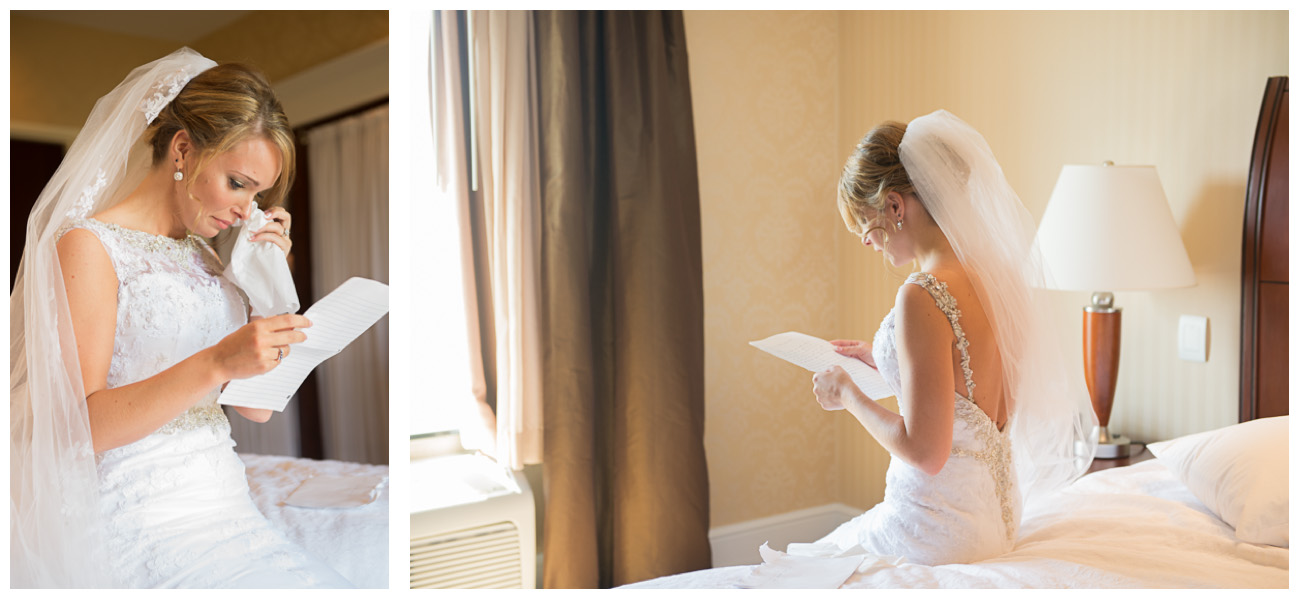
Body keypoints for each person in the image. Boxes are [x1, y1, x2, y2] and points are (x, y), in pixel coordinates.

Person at [10, 48, 350, 588]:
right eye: (238, 183)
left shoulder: (210, 256)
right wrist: (218, 361)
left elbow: (254, 410)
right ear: (184, 149)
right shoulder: (89, 247)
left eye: (258, 193)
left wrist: (267, 278)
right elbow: (83, 426)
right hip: (140, 519)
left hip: (227, 508)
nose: (247, 210)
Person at [807, 110, 1097, 566]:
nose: (867, 241)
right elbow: (973, 386)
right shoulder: (999, 277)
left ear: (895, 207)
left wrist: (847, 393)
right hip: (995, 524)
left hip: (937, 529)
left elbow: (926, 452)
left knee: (809, 562)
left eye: (865, 223)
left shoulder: (921, 294)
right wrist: (883, 358)